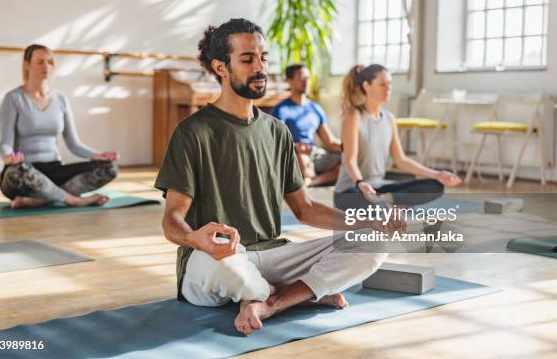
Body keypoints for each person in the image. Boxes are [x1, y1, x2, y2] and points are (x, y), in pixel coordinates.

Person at [155, 19, 403, 336]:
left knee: (374, 242)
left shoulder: (277, 131)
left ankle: (270, 301)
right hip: (215, 259)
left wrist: (367, 222)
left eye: (263, 58)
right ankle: (297, 292)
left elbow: (305, 209)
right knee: (237, 272)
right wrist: (193, 238)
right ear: (221, 67)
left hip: (273, 253)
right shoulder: (192, 133)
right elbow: (172, 219)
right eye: (247, 59)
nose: (260, 67)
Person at [0, 44, 119, 209]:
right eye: (40, 62)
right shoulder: (13, 98)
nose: (46, 66)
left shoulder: (61, 99)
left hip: (54, 171)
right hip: (23, 173)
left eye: (49, 62)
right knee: (17, 171)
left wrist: (97, 156)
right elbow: (4, 143)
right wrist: (9, 156)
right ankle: (75, 200)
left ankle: (41, 200)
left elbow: (73, 144)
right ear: (26, 65)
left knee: (109, 168)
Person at [334, 64, 461, 211]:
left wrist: (437, 174)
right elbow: (350, 161)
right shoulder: (354, 116)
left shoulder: (389, 118)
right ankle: (388, 205)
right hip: (352, 190)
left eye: (389, 84)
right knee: (355, 198)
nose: (388, 89)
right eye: (382, 84)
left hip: (379, 188)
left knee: (435, 186)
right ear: (367, 86)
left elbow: (401, 160)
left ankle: (385, 203)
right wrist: (360, 183)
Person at [271, 64, 341, 186]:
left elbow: (329, 141)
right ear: (289, 80)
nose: (306, 81)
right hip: (294, 153)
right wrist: (295, 146)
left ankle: (313, 182)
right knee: (301, 155)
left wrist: (350, 148)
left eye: (308, 78)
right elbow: (277, 141)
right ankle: (307, 177)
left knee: (347, 161)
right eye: (302, 78)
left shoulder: (315, 108)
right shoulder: (281, 109)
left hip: (314, 152)